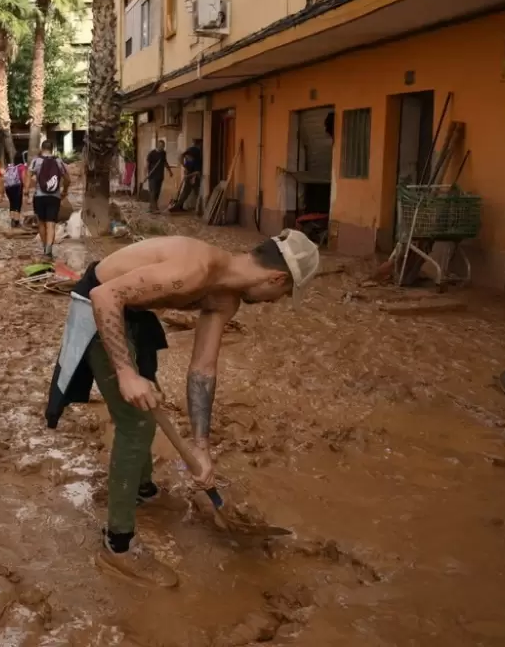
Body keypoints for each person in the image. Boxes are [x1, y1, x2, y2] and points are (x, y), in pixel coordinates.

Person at [45, 230, 320, 587]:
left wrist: (201, 447)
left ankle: (142, 490)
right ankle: (118, 546)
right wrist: (127, 373)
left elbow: (203, 370)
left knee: (148, 400)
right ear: (277, 278)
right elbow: (104, 295)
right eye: (282, 295)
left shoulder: (226, 298)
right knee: (138, 422)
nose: (274, 302)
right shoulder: (196, 269)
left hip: (132, 312)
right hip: (102, 306)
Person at [28, 140, 70, 259]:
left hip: (39, 196)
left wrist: (26, 191)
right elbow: (68, 179)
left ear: (42, 148)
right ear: (52, 149)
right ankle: (48, 250)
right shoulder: (58, 161)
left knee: (41, 223)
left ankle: (44, 247)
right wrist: (65, 191)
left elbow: (28, 175)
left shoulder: (36, 161)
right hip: (54, 197)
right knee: (51, 224)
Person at [171, 139, 203, 212]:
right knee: (196, 192)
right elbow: (197, 172)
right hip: (194, 175)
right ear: (199, 144)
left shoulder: (189, 150)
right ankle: (179, 206)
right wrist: (185, 167)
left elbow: (180, 156)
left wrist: (184, 166)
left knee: (186, 191)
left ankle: (178, 206)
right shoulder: (197, 152)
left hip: (190, 174)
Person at [144, 141, 173, 213]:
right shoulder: (152, 153)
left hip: (160, 176)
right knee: (153, 192)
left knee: (157, 192)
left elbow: (165, 162)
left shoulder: (163, 153)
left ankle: (152, 207)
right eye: (161, 146)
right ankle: (154, 208)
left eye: (163, 146)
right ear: (157, 146)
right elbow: (147, 165)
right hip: (152, 176)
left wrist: (169, 171)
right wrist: (145, 175)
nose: (162, 147)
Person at [3, 150, 28, 228]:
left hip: (8, 188)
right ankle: (16, 222)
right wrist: (26, 187)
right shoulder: (22, 167)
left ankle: (12, 220)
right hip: (17, 187)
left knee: (12, 203)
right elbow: (23, 178)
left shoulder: (10, 166)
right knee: (17, 204)